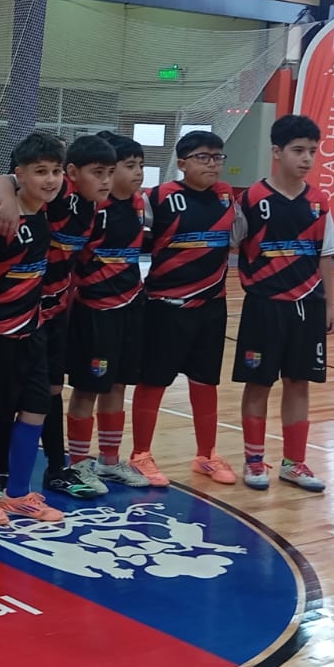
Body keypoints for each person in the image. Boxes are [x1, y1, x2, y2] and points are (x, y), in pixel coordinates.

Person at [0, 132, 64, 525]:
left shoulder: (46, 209)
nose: (51, 179)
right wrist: (5, 194)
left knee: (36, 409)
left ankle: (20, 493)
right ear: (19, 173)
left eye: (55, 171)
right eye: (40, 172)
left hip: (33, 331)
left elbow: (21, 178)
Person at [235, 114, 334, 492]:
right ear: (277, 152)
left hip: (308, 305)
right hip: (264, 306)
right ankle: (253, 461)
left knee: (299, 383)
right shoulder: (251, 199)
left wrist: (329, 305)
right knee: (258, 383)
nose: (307, 158)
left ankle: (295, 463)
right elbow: (230, 246)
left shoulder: (318, 202)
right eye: (298, 150)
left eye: (312, 151)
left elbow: (325, 255)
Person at [129, 130, 238, 488]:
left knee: (205, 382)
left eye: (217, 157)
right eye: (203, 157)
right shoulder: (157, 198)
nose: (212, 164)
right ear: (182, 163)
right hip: (165, 307)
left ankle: (206, 455)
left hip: (211, 307)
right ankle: (141, 454)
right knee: (153, 382)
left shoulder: (227, 197)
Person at [65, 131, 158, 489]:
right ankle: (77, 463)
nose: (138, 173)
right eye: (129, 166)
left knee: (118, 385)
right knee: (87, 389)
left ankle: (108, 460)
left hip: (131, 307)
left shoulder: (138, 205)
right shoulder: (90, 209)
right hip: (94, 311)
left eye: (141, 166)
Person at [39, 135, 116, 495]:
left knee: (53, 389)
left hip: (56, 312)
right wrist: (6, 198)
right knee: (13, 397)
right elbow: (11, 181)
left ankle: (56, 469)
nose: (106, 181)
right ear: (72, 173)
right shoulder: (56, 196)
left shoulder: (94, 210)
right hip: (19, 312)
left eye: (110, 173)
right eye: (97, 173)